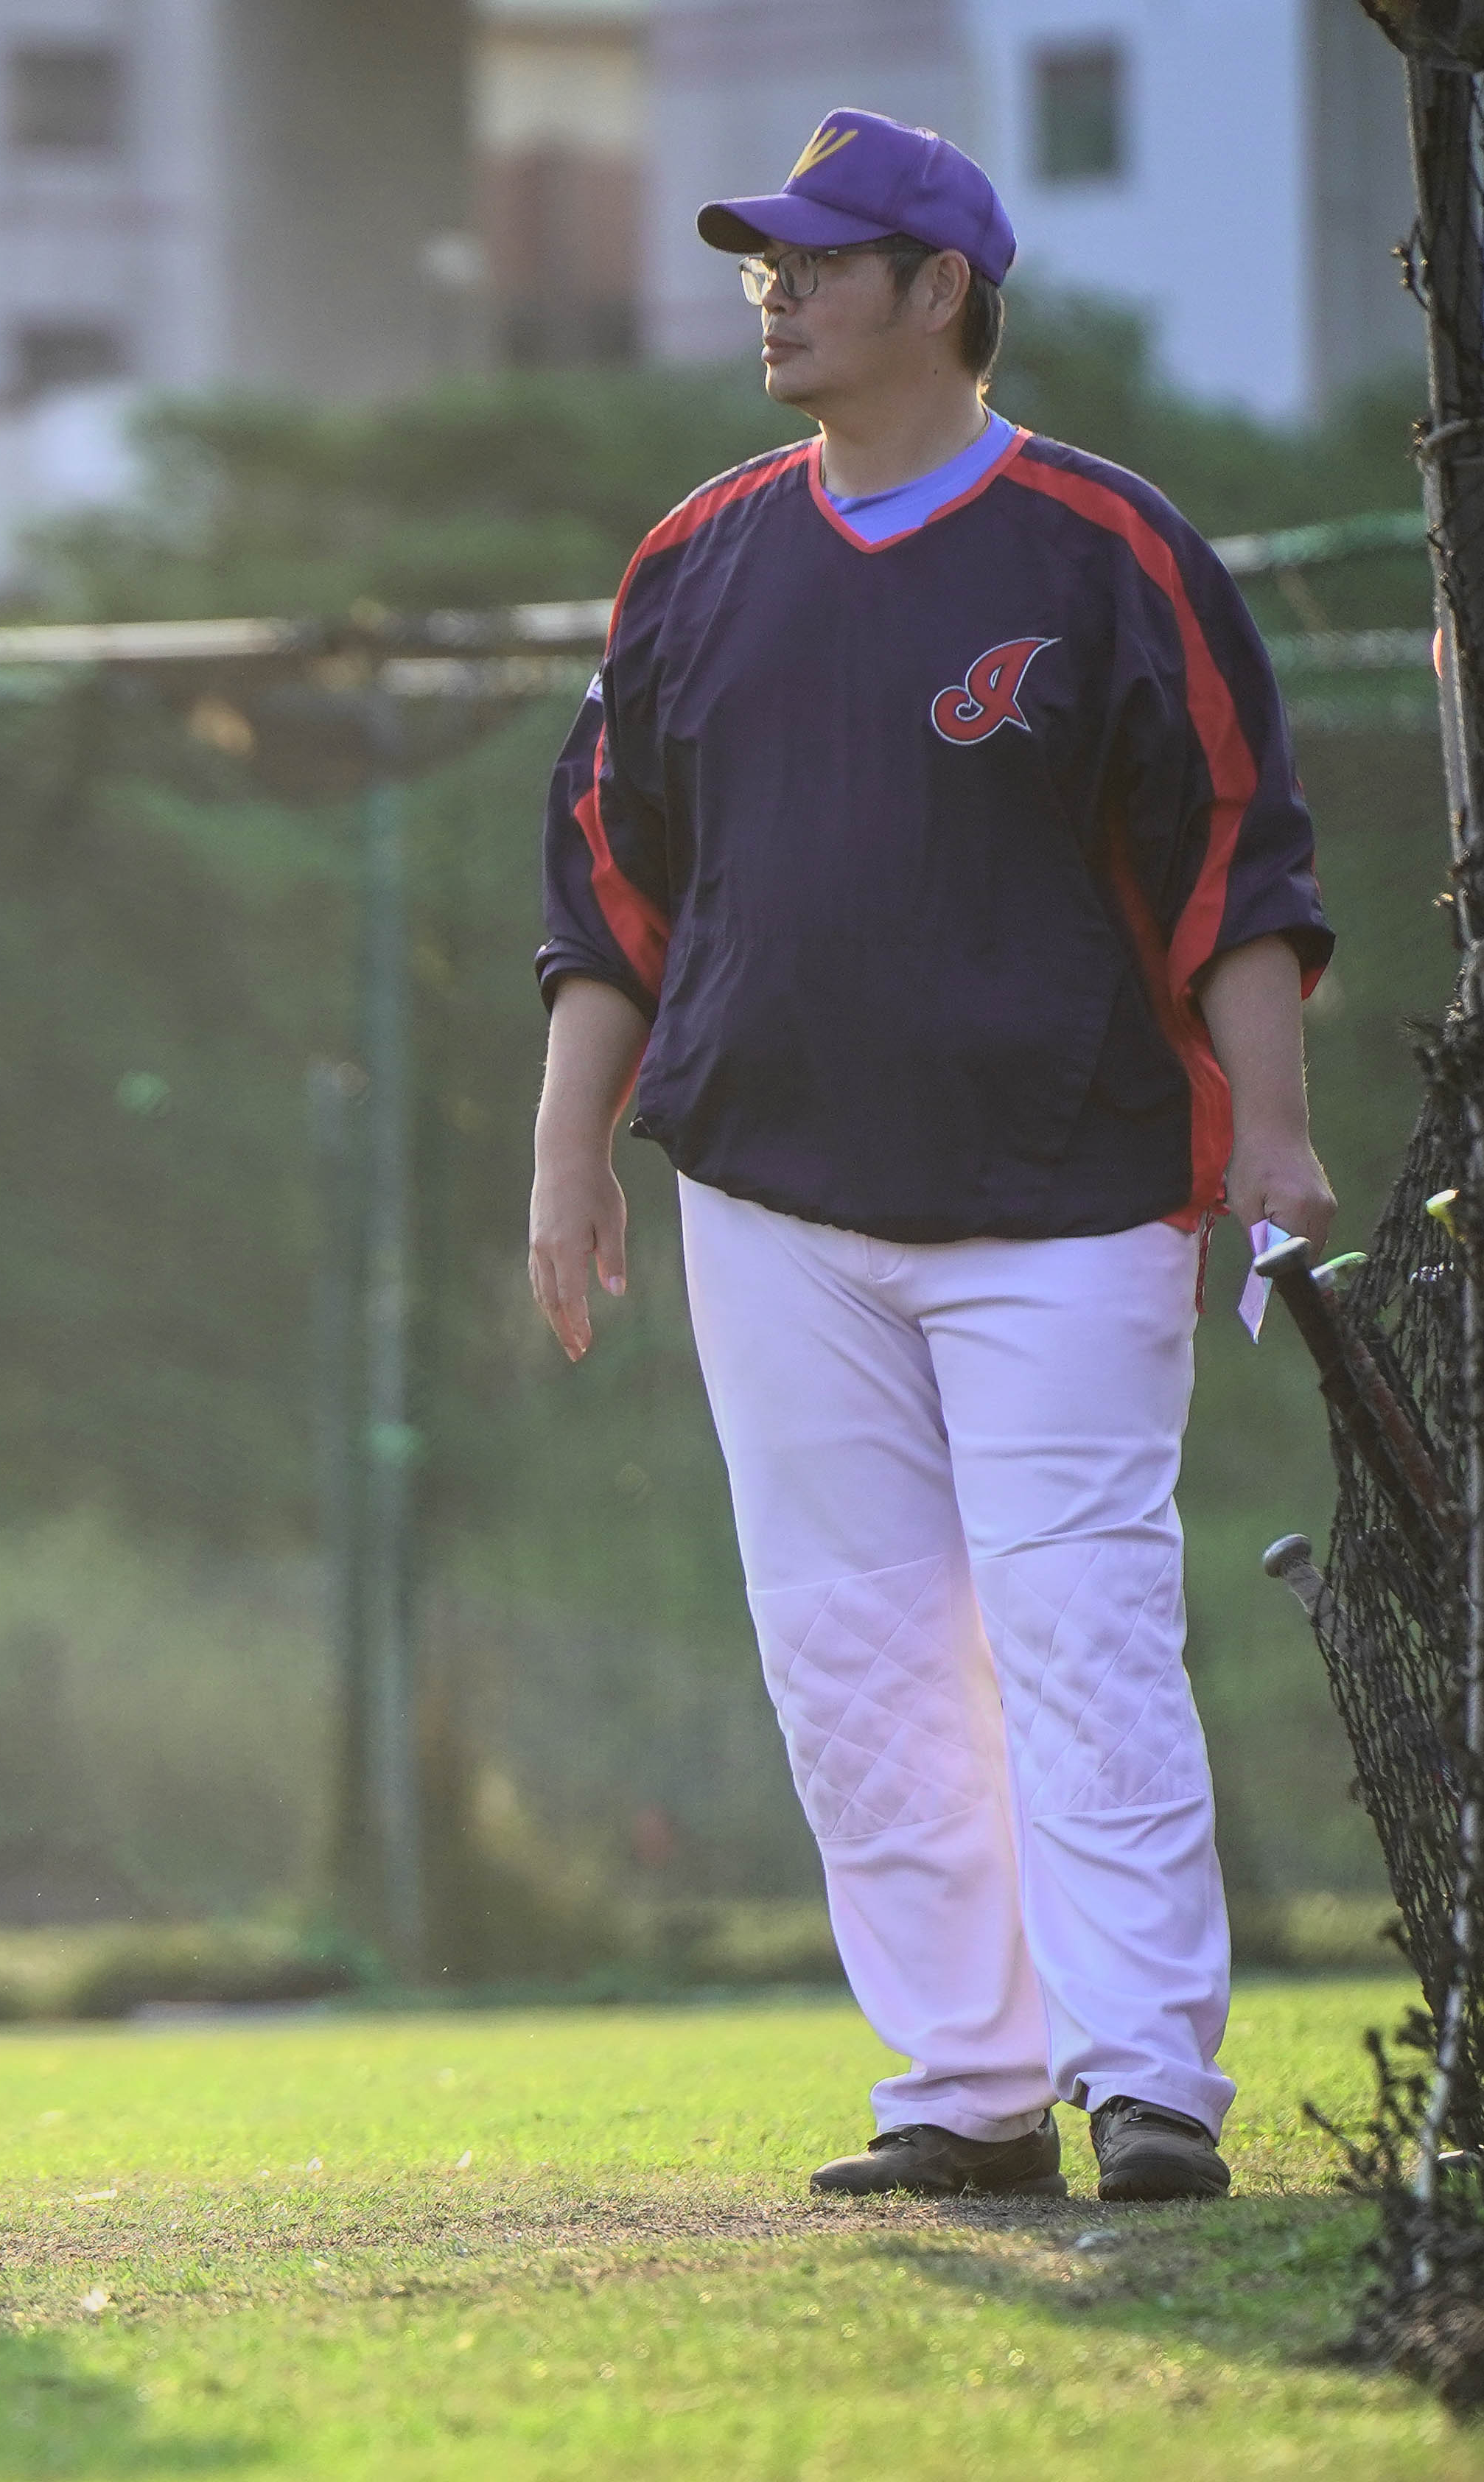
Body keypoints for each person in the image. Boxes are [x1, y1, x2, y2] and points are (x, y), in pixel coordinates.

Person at [523, 111, 1336, 2206]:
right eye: (762, 264)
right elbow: (614, 881)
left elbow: (1233, 862)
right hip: (768, 1193)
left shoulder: (1103, 543)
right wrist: (567, 1150)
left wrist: (1278, 1132)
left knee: (1081, 1626)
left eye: (817, 261)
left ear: (941, 288)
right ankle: (963, 2086)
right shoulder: (698, 556)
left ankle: (1146, 2076)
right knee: (855, 1653)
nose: (774, 293)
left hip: (1067, 1189)